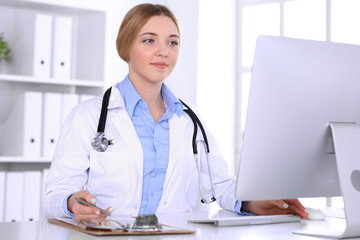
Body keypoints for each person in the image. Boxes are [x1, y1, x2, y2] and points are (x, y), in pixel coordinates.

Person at [42, 3, 308, 223]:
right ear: (126, 47)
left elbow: (221, 185)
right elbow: (55, 194)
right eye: (149, 40)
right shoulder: (88, 117)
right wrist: (71, 203)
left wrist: (252, 201)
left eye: (173, 42)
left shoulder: (190, 122)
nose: (163, 52)